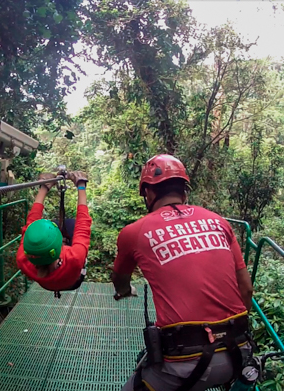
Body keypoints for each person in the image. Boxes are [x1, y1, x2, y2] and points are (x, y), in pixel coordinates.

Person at [112, 154, 254, 391]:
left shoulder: (134, 232)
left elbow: (120, 279)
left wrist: (124, 291)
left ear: (147, 193)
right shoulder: (219, 222)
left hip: (182, 364)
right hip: (238, 354)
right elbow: (246, 289)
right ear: (184, 191)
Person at [16, 171, 92, 295]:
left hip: (47, 283)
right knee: (71, 224)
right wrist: (81, 185)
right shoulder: (74, 258)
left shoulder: (23, 259)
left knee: (45, 228)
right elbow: (82, 226)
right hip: (73, 280)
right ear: (60, 246)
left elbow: (31, 227)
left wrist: (44, 187)